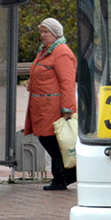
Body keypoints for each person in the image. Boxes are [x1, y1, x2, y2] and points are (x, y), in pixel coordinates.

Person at [24, 17, 77, 190]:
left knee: (53, 141)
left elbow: (67, 82)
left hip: (53, 108)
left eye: (45, 32)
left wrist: (68, 108)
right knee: (50, 141)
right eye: (41, 31)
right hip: (42, 107)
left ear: (55, 33)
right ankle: (62, 177)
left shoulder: (61, 52)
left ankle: (63, 177)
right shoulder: (46, 51)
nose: (42, 35)